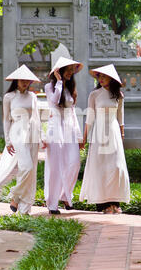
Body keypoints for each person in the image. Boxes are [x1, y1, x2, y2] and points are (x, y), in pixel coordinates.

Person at [0, 65, 45, 215]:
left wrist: (41, 136)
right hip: (17, 132)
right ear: (16, 80)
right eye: (22, 80)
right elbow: (6, 120)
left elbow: (36, 118)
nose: (25, 83)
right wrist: (8, 141)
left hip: (32, 133)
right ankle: (15, 196)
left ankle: (24, 208)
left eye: (28, 80)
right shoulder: (9, 97)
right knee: (26, 167)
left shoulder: (32, 96)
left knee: (30, 170)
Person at [79, 64, 130, 214]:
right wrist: (84, 138)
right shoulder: (94, 95)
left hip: (113, 132)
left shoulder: (119, 96)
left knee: (116, 167)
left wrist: (122, 135)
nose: (100, 79)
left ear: (111, 78)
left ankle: (115, 202)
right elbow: (89, 118)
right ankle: (103, 204)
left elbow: (121, 117)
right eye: (99, 76)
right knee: (100, 167)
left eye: (103, 76)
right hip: (99, 133)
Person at [44, 57, 84, 215]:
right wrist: (59, 82)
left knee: (75, 163)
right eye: (67, 70)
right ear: (59, 72)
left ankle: (65, 195)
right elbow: (54, 101)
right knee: (56, 166)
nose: (70, 73)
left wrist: (79, 137)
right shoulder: (49, 86)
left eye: (72, 70)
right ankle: (52, 203)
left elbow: (73, 113)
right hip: (55, 129)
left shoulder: (71, 88)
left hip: (69, 129)